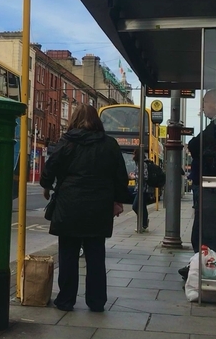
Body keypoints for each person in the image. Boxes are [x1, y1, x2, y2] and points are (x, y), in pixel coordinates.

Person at [40, 104, 129, 313]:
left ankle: (65, 300)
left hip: (69, 205)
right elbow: (120, 177)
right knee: (96, 255)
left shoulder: (67, 142)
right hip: (99, 207)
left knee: (68, 254)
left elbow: (50, 167)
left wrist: (46, 186)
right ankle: (96, 301)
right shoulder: (110, 144)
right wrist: (118, 201)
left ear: (74, 119)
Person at [180, 89, 216, 279]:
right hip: (208, 185)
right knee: (201, 227)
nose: (202, 107)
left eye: (205, 102)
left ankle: (203, 267)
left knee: (205, 229)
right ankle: (197, 264)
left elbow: (196, 145)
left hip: (212, 188)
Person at [131, 147, 153, 231]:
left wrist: (134, 176)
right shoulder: (139, 163)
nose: (133, 155)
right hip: (141, 188)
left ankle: (143, 222)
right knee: (142, 206)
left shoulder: (142, 164)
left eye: (134, 153)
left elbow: (145, 176)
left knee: (136, 206)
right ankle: (144, 224)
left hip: (144, 189)